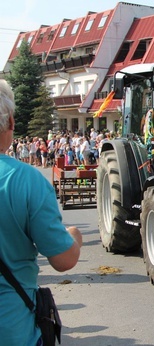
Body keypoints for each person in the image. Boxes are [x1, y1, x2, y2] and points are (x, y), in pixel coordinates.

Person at [0, 79, 83, 345]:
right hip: (12, 329)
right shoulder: (26, 181)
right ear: (11, 122)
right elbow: (62, 260)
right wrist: (74, 238)